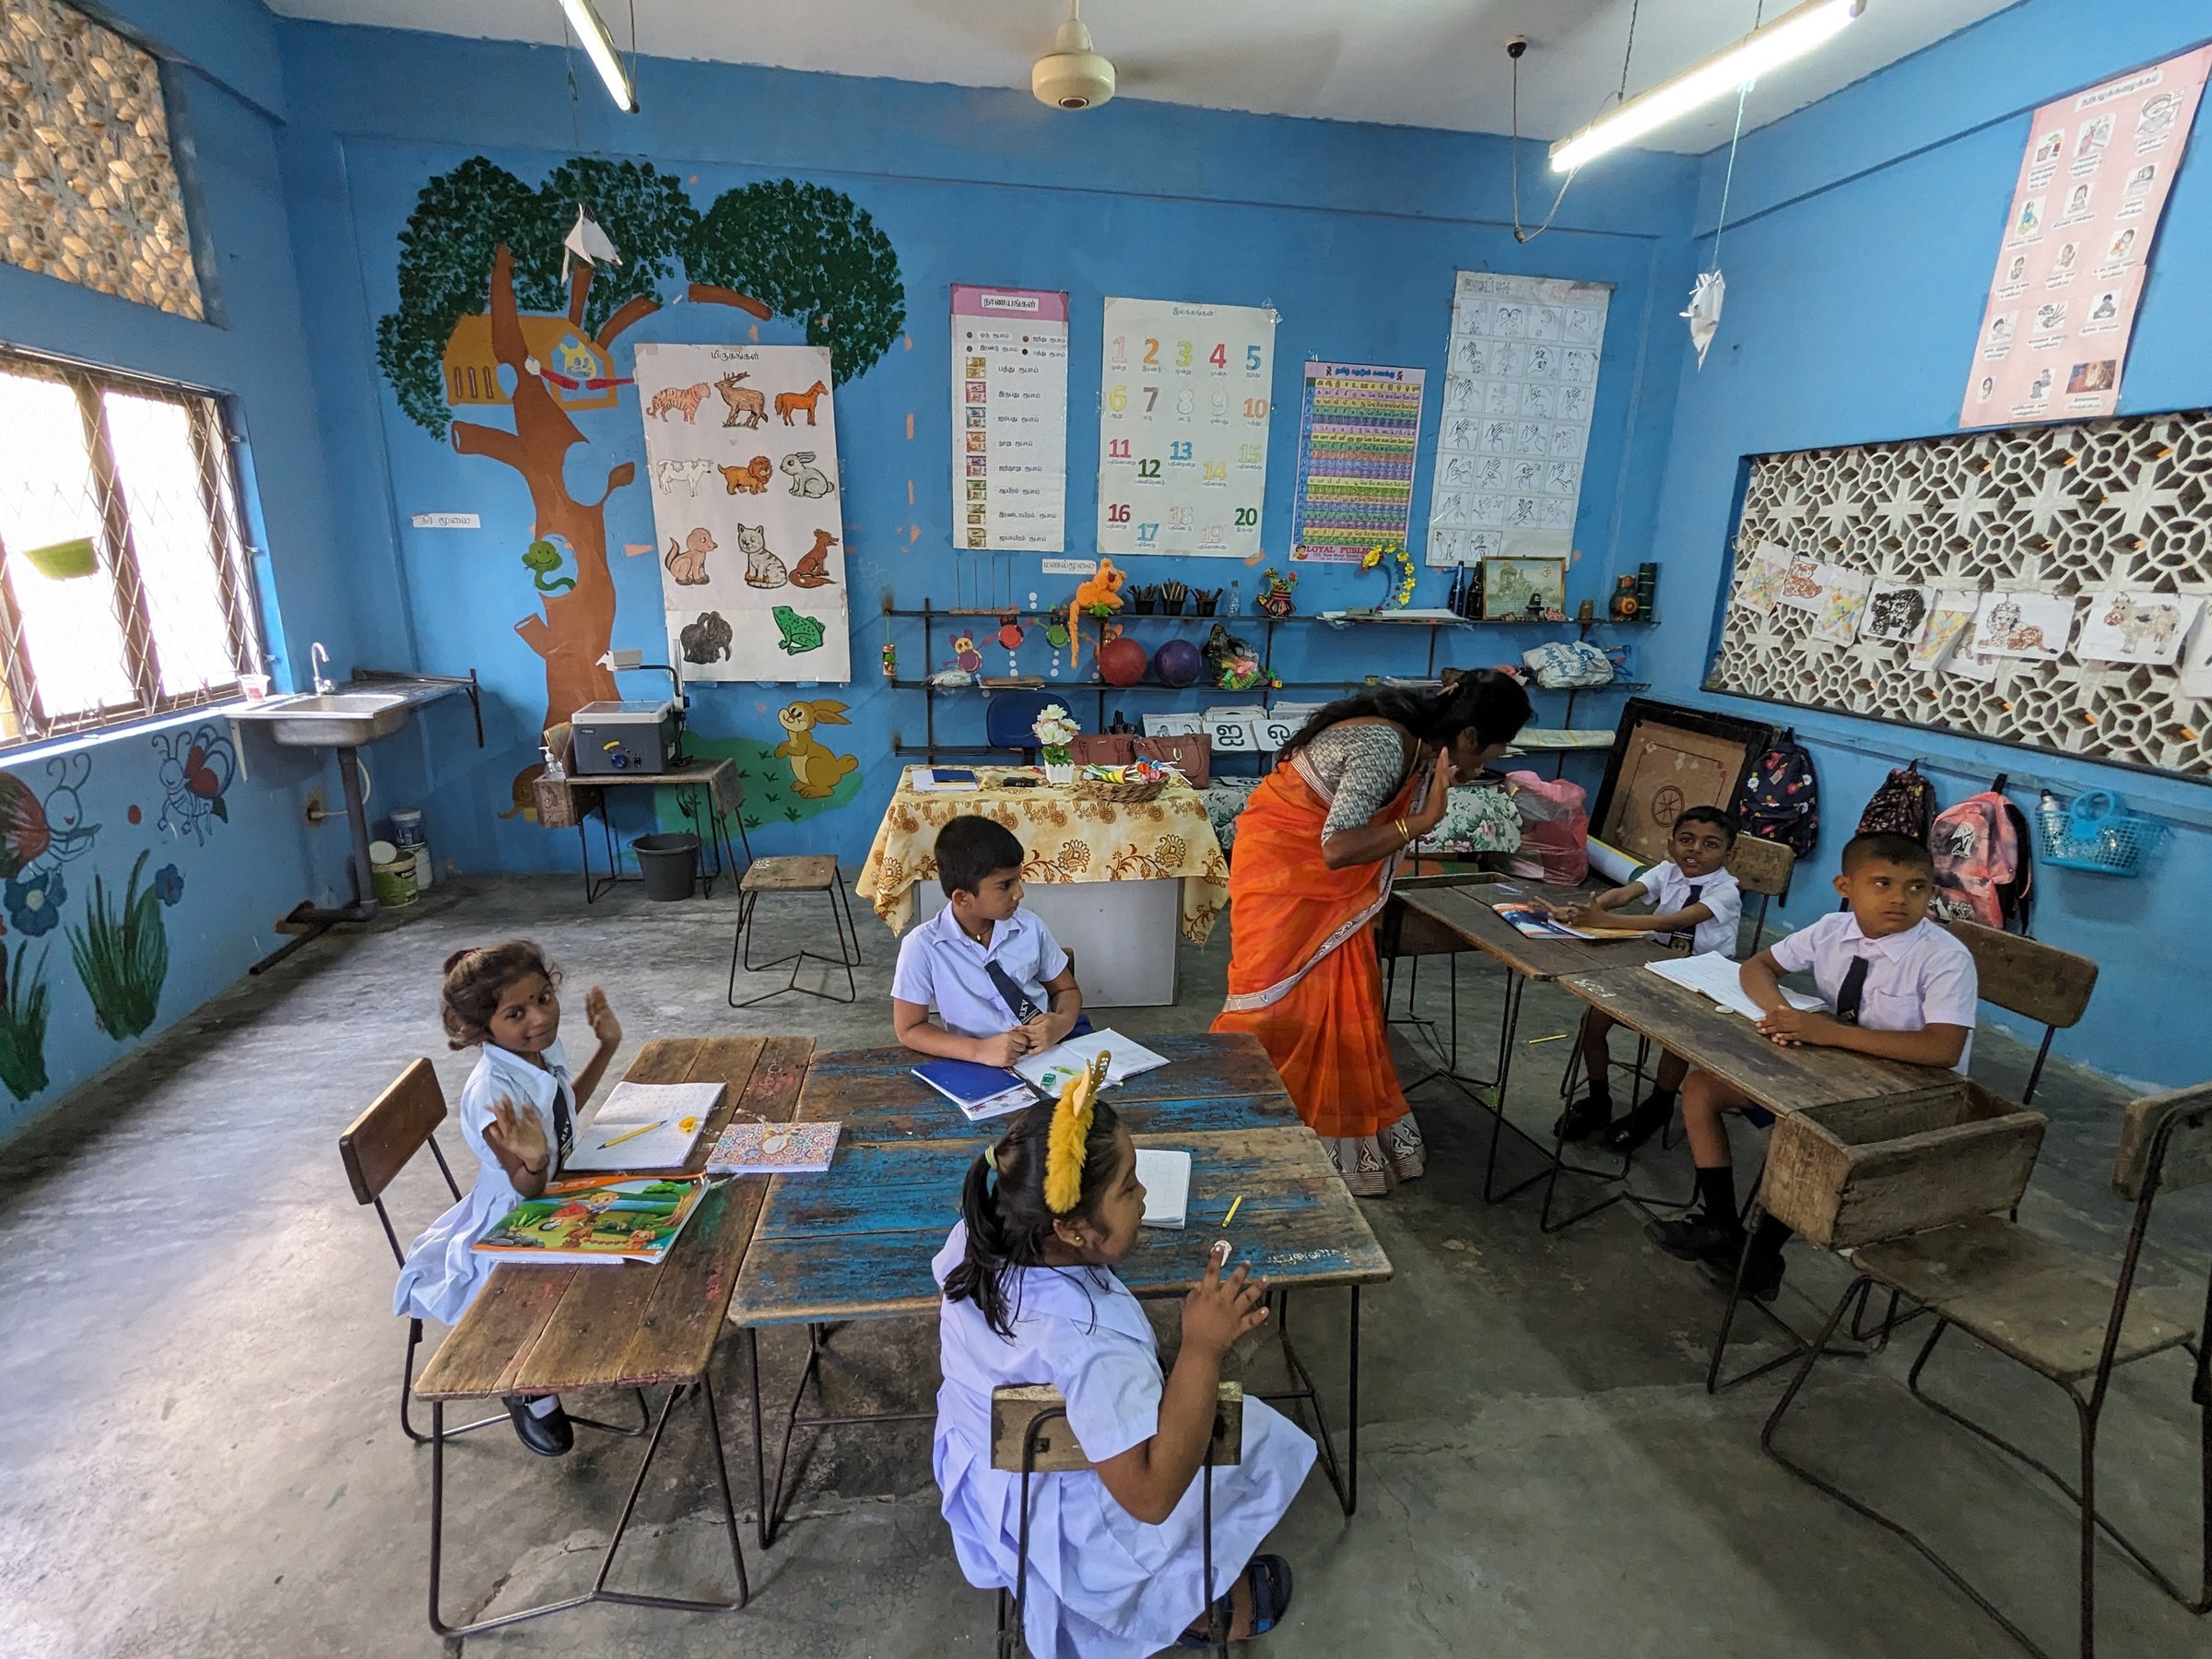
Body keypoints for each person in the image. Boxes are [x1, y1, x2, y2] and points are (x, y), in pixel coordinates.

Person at [933, 1059, 1313, 1656]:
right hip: (1075, 1522)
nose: (1143, 1197)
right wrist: (1202, 1347)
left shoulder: (980, 1235)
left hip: (992, 1478)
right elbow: (1150, 1497)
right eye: (1129, 1187)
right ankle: (1189, 1602)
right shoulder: (1089, 1343)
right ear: (1075, 1228)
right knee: (1250, 1430)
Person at [1211, 671, 1532, 1194]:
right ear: (1469, 736)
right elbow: (1336, 849)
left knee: (1344, 995)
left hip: (1319, 889)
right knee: (1270, 1005)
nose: (1485, 768)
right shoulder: (1385, 745)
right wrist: (1423, 821)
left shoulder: (1416, 747)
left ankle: (1325, 1130)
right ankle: (1238, 1115)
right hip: (1285, 873)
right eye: (1492, 754)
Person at [1646, 832, 1978, 1300]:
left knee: (1802, 1132)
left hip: (1909, 1095)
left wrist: (1828, 1034)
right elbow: (1758, 967)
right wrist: (1778, 1013)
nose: (1900, 899)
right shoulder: (1831, 931)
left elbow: (1943, 1049)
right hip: (1835, 1068)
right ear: (1846, 886)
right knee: (1701, 1089)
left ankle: (1762, 1254)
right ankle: (1721, 1224)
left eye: (1917, 888)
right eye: (1882, 883)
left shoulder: (1944, 957)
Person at [392, 941, 623, 1455]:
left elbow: (562, 1109)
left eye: (545, 998)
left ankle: (578, 1348)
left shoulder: (533, 1052)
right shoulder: (491, 1094)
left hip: (556, 1191)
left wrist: (606, 1047)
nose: (540, 1018)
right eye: (516, 1013)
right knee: (606, 1267)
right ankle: (528, 1386)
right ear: (481, 1027)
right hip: (514, 1226)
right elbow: (528, 1185)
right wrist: (536, 1159)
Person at [1549, 806, 1743, 1150]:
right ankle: (1598, 1099)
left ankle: (1659, 1104)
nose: (1695, 849)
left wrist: (1607, 923)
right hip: (1652, 965)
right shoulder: (1667, 871)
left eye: (1710, 844)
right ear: (1671, 846)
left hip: (1703, 978)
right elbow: (1623, 895)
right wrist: (1589, 910)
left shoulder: (1726, 890)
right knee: (1592, 1021)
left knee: (1676, 1038)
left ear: (1730, 853)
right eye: (1686, 840)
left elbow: (1673, 922)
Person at [893, 815, 1085, 1068]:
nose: (1019, 893)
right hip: (978, 1062)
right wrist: (979, 1050)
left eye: (1018, 878)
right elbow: (909, 1028)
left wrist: (1062, 1022)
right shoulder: (922, 947)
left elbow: (1066, 990)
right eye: (1005, 885)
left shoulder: (1029, 927)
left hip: (1046, 1052)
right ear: (962, 898)